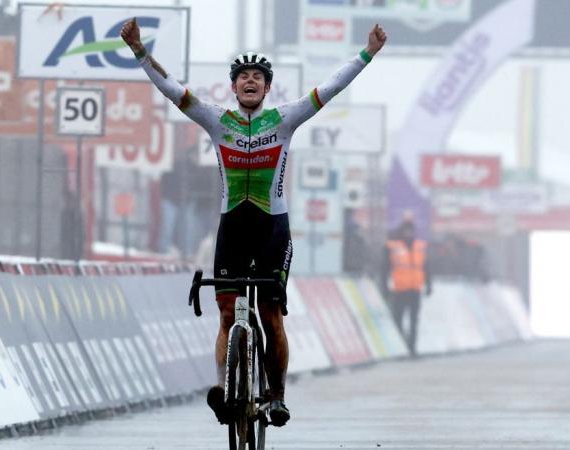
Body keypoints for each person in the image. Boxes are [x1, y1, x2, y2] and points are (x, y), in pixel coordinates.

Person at [121, 18, 387, 426]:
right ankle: (226, 392)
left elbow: (331, 87)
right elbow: (171, 87)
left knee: (270, 314)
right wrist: (140, 50)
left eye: (257, 76)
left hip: (272, 232)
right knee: (227, 315)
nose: (249, 81)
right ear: (233, 87)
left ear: (267, 87)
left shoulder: (284, 119)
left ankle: (277, 394)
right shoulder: (216, 120)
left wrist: (367, 53)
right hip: (232, 229)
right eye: (242, 76)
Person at [381, 217, 432, 356]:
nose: (408, 234)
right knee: (398, 319)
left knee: (414, 321)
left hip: (415, 289)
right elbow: (385, 268)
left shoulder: (419, 247)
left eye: (410, 231)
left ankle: (412, 348)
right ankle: (400, 347)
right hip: (399, 290)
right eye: (406, 231)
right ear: (402, 232)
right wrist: (385, 287)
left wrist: (428, 285)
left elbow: (425, 267)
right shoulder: (393, 247)